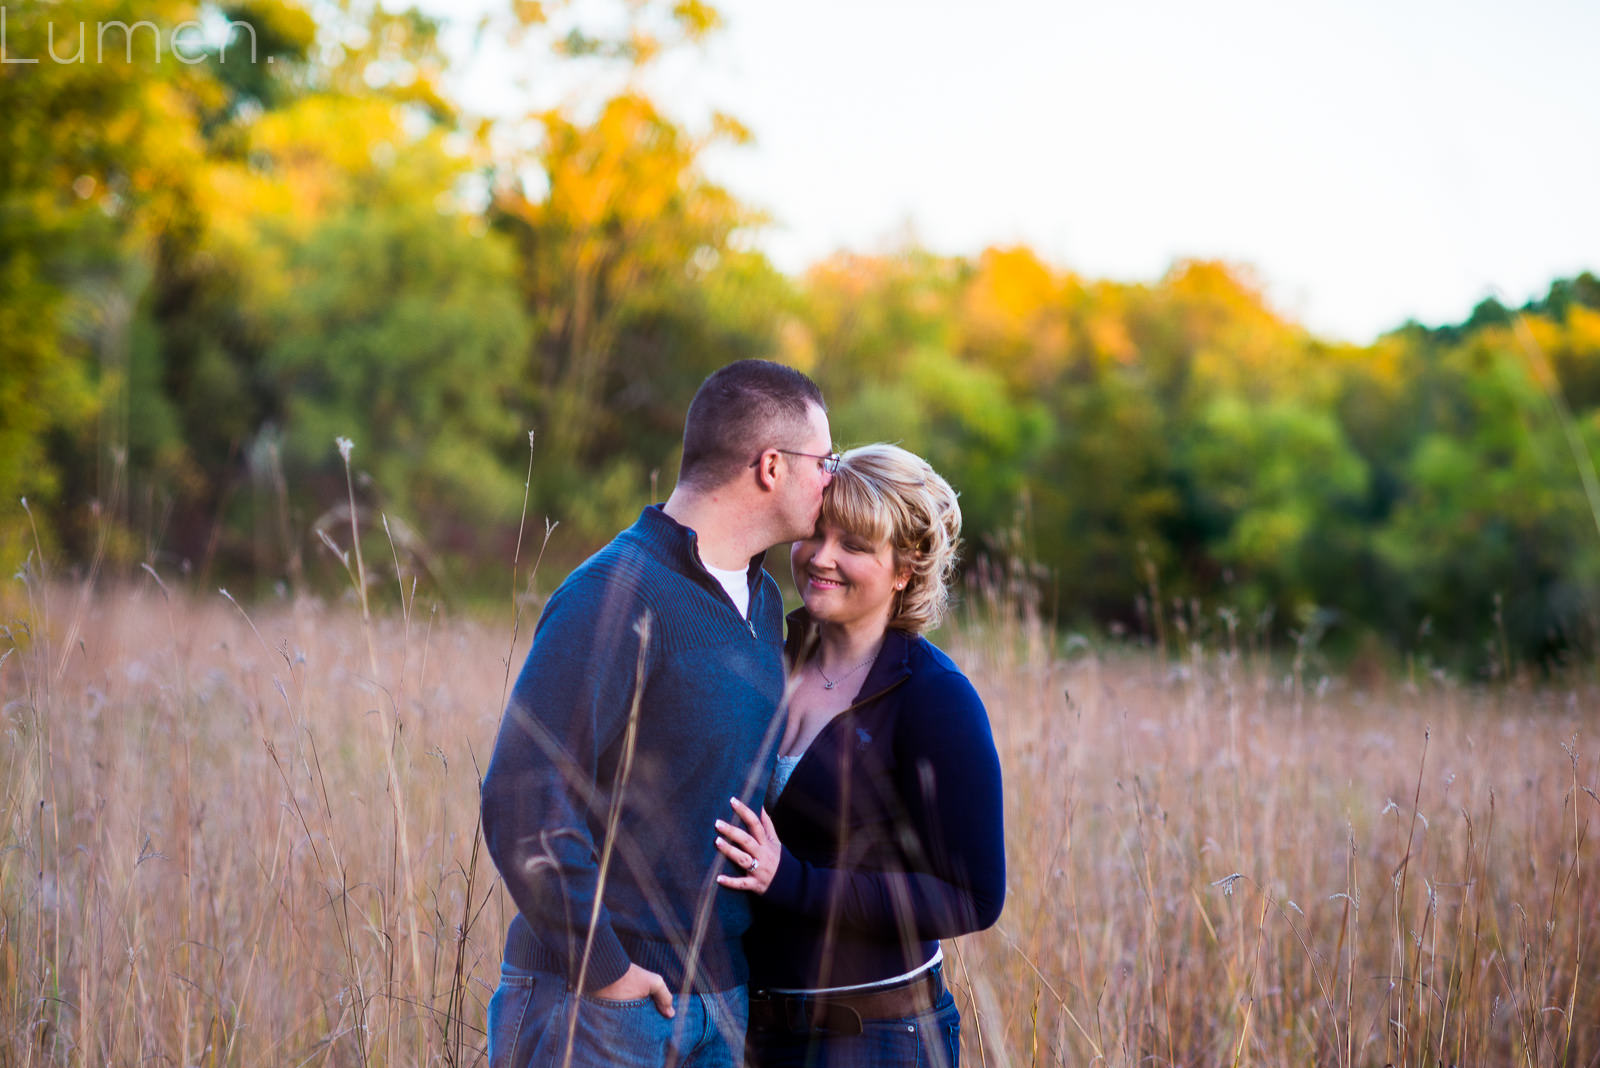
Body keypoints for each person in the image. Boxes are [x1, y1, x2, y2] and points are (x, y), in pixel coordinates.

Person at [480, 360, 836, 1068]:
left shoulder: (764, 603)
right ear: (771, 466)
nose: (833, 476)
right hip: (601, 1007)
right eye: (823, 460)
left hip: (720, 1005)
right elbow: (522, 795)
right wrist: (605, 971)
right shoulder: (615, 592)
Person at [711, 443, 1006, 1068]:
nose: (822, 558)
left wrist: (792, 881)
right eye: (817, 532)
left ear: (904, 568)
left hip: (874, 1038)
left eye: (855, 546)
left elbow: (974, 898)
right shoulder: (763, 648)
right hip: (746, 1028)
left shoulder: (934, 699)